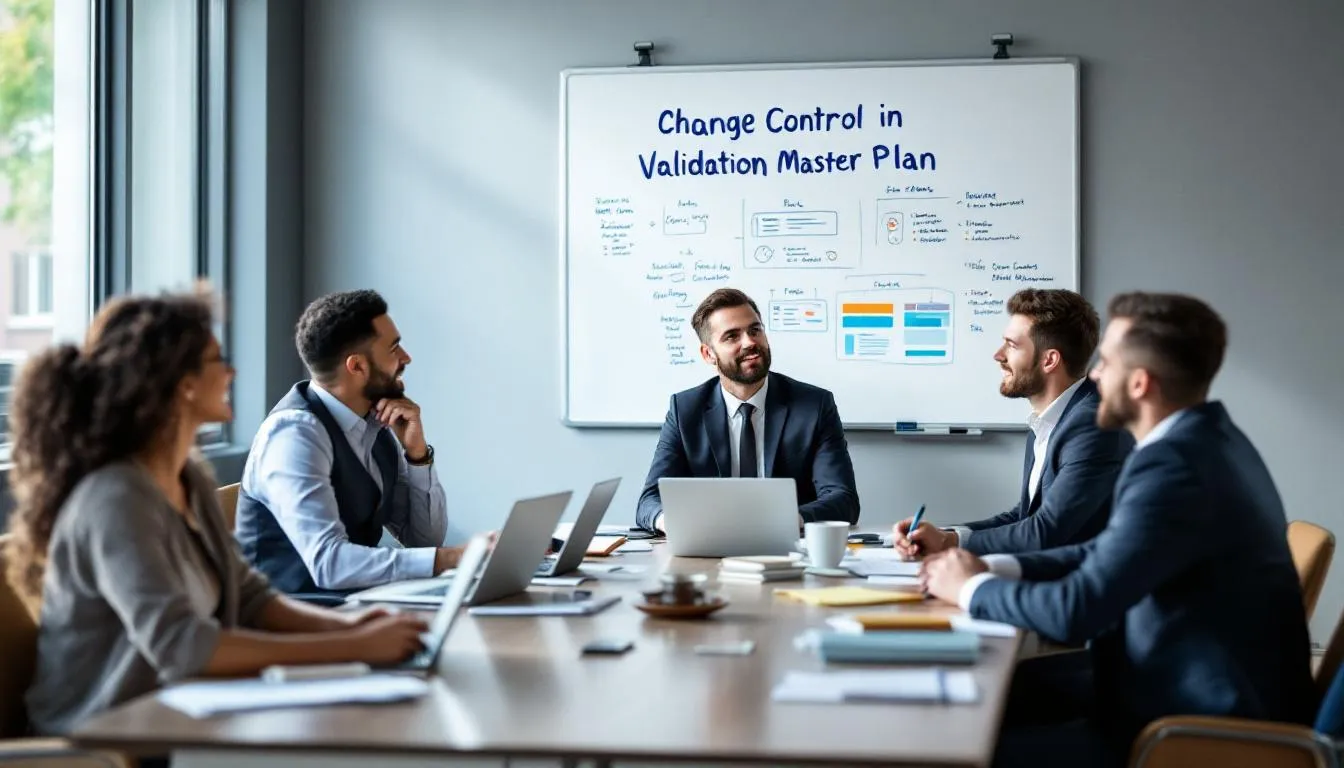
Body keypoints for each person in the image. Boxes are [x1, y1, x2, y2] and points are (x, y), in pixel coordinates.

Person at [6, 288, 427, 739]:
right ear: (181, 382)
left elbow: (250, 599)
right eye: (215, 360)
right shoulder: (114, 498)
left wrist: (349, 625)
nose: (231, 371)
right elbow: (182, 646)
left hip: (178, 715)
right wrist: (348, 645)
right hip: (105, 737)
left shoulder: (188, 476)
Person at [919, 292, 1315, 767]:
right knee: (998, 692)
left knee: (953, 749)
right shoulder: (1204, 440)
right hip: (1166, 677)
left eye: (1106, 362)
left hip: (1193, 723)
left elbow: (1077, 610)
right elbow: (1101, 553)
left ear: (1140, 383)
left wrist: (971, 589)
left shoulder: (1176, 467)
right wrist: (991, 565)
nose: (1095, 375)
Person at [235, 289, 457, 596]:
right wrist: (455, 559)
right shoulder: (294, 434)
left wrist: (417, 456)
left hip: (357, 606)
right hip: (296, 623)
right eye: (394, 349)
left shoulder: (374, 425)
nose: (406, 358)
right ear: (357, 366)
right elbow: (329, 563)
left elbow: (424, 542)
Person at [893, 289, 1133, 557]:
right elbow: (1024, 516)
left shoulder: (1092, 425)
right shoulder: (1049, 420)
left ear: (1049, 360)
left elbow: (1047, 531)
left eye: (1012, 345)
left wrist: (949, 543)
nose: (998, 355)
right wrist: (945, 536)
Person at [636, 287, 859, 533]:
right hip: (708, 546)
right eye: (731, 336)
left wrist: (785, 520)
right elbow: (649, 502)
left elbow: (843, 499)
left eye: (755, 330)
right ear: (708, 353)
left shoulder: (814, 406)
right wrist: (674, 523)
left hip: (788, 550)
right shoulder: (685, 410)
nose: (750, 342)